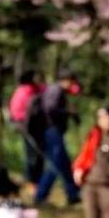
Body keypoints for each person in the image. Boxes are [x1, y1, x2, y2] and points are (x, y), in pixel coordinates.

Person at [30, 70, 81, 206]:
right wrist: (68, 112)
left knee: (60, 164)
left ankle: (72, 194)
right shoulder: (55, 91)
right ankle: (43, 196)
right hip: (51, 132)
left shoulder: (56, 91)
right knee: (57, 164)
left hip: (53, 132)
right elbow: (51, 109)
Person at [7, 70, 45, 184]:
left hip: (25, 125)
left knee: (33, 153)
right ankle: (32, 179)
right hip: (28, 126)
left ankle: (34, 178)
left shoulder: (23, 89)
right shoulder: (28, 91)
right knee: (33, 154)